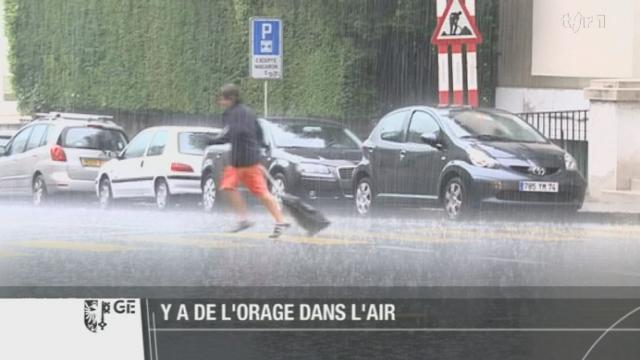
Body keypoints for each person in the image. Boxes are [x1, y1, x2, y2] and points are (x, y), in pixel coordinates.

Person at [209, 84, 290, 238]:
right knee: (261, 192)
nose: (220, 102)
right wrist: (258, 147)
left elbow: (233, 132)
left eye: (222, 99)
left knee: (228, 187)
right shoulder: (249, 112)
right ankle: (280, 221)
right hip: (250, 159)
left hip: (240, 161)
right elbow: (258, 132)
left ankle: (244, 219)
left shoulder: (233, 114)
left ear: (231, 98)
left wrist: (211, 141)